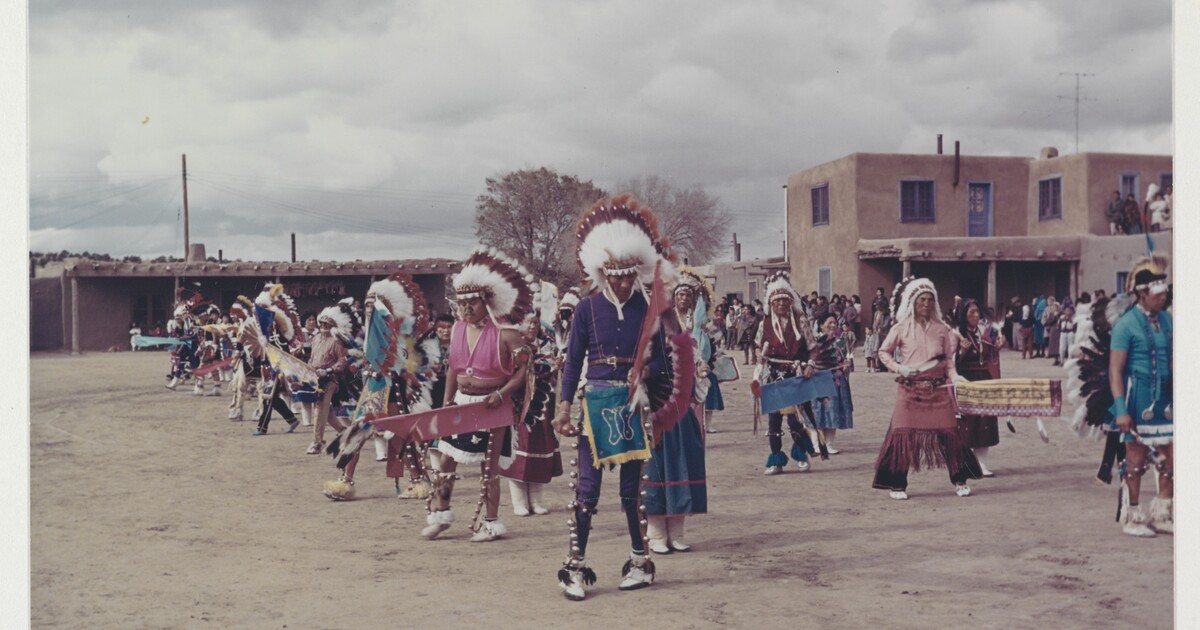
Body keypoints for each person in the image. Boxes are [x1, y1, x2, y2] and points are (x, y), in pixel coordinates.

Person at [552, 194, 678, 600]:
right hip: (595, 405)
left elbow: (662, 361)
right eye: (616, 276)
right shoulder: (587, 309)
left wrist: (646, 375)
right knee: (586, 490)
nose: (623, 283)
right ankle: (575, 565)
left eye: (628, 275)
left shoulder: (647, 307)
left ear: (636, 272)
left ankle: (640, 561)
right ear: (603, 273)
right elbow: (572, 363)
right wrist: (565, 404)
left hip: (634, 406)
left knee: (632, 492)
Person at [423, 250, 533, 543]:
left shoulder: (507, 334)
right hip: (461, 401)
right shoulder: (457, 329)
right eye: (462, 303)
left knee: (490, 466)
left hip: (491, 405)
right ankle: (441, 513)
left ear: (487, 301)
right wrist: (447, 399)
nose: (466, 308)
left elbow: (524, 371)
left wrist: (501, 393)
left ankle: (491, 522)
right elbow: (452, 369)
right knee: (445, 461)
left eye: (472, 302)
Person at [872, 277, 982, 500]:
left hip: (938, 390)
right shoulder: (900, 328)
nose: (926, 304)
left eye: (930, 300)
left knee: (950, 434)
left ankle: (960, 480)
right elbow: (883, 352)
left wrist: (956, 377)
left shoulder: (942, 330)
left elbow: (948, 361)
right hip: (909, 390)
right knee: (902, 435)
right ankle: (897, 485)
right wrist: (899, 368)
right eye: (922, 299)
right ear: (912, 302)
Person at [644, 267, 709, 555]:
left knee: (683, 462)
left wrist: (700, 371)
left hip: (682, 410)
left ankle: (678, 530)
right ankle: (656, 532)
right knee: (656, 466)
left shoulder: (691, 331)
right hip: (656, 408)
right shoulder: (650, 330)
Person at [1109, 254, 1173, 536]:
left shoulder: (1167, 320)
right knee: (1135, 459)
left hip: (1167, 400)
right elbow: (1115, 371)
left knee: (1170, 459)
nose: (1164, 297)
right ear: (1142, 294)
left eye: (1165, 292)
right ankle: (1133, 517)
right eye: (1158, 293)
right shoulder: (1125, 325)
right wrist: (1121, 409)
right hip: (1138, 398)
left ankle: (1162, 514)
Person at [497, 314, 563, 517]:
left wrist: (555, 366)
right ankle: (519, 502)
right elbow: (517, 369)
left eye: (535, 322)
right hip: (519, 405)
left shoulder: (547, 344)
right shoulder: (512, 344)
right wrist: (548, 366)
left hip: (543, 405)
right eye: (528, 322)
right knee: (520, 448)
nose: (533, 326)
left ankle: (536, 500)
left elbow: (549, 369)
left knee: (540, 447)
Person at [757, 271, 818, 475]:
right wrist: (761, 358)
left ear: (791, 302)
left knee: (795, 420)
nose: (781, 304)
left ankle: (801, 454)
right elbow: (760, 346)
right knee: (774, 420)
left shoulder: (801, 321)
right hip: (773, 374)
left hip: (795, 373)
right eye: (777, 301)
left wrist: (810, 364)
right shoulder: (764, 323)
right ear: (771, 304)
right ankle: (776, 460)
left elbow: (812, 347)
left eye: (785, 300)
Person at [954, 299, 1004, 477]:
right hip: (966, 381)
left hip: (984, 380)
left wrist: (996, 348)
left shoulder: (984, 332)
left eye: (977, 312)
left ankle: (982, 464)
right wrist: (961, 352)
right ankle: (967, 464)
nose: (976, 315)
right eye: (971, 312)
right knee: (968, 423)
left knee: (985, 422)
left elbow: (988, 356)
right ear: (963, 315)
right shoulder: (956, 335)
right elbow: (949, 363)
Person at [302, 305, 353, 455]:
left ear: (332, 326)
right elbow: (312, 358)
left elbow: (343, 361)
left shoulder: (336, 341)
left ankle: (317, 442)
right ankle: (343, 431)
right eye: (321, 323)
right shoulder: (315, 338)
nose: (323, 326)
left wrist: (328, 370)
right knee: (325, 410)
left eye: (327, 324)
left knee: (319, 408)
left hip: (330, 380)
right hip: (315, 378)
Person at [812, 314, 854, 454]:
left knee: (833, 410)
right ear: (821, 325)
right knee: (817, 411)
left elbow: (845, 358)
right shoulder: (815, 341)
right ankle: (817, 443)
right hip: (820, 379)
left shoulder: (841, 340)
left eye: (834, 323)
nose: (832, 325)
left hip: (837, 379)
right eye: (829, 322)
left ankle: (829, 444)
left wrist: (846, 365)